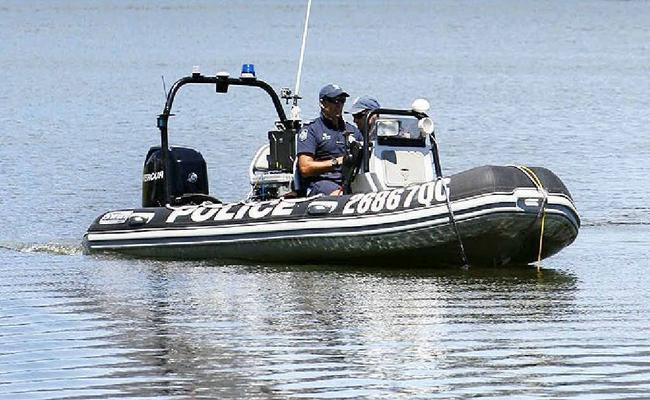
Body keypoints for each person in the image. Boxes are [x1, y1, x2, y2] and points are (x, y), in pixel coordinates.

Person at [296, 84, 363, 196]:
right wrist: (336, 162)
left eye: (342, 101)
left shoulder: (352, 130)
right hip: (322, 182)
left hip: (352, 181)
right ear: (322, 103)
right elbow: (305, 168)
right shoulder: (311, 130)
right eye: (335, 101)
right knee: (340, 195)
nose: (339, 105)